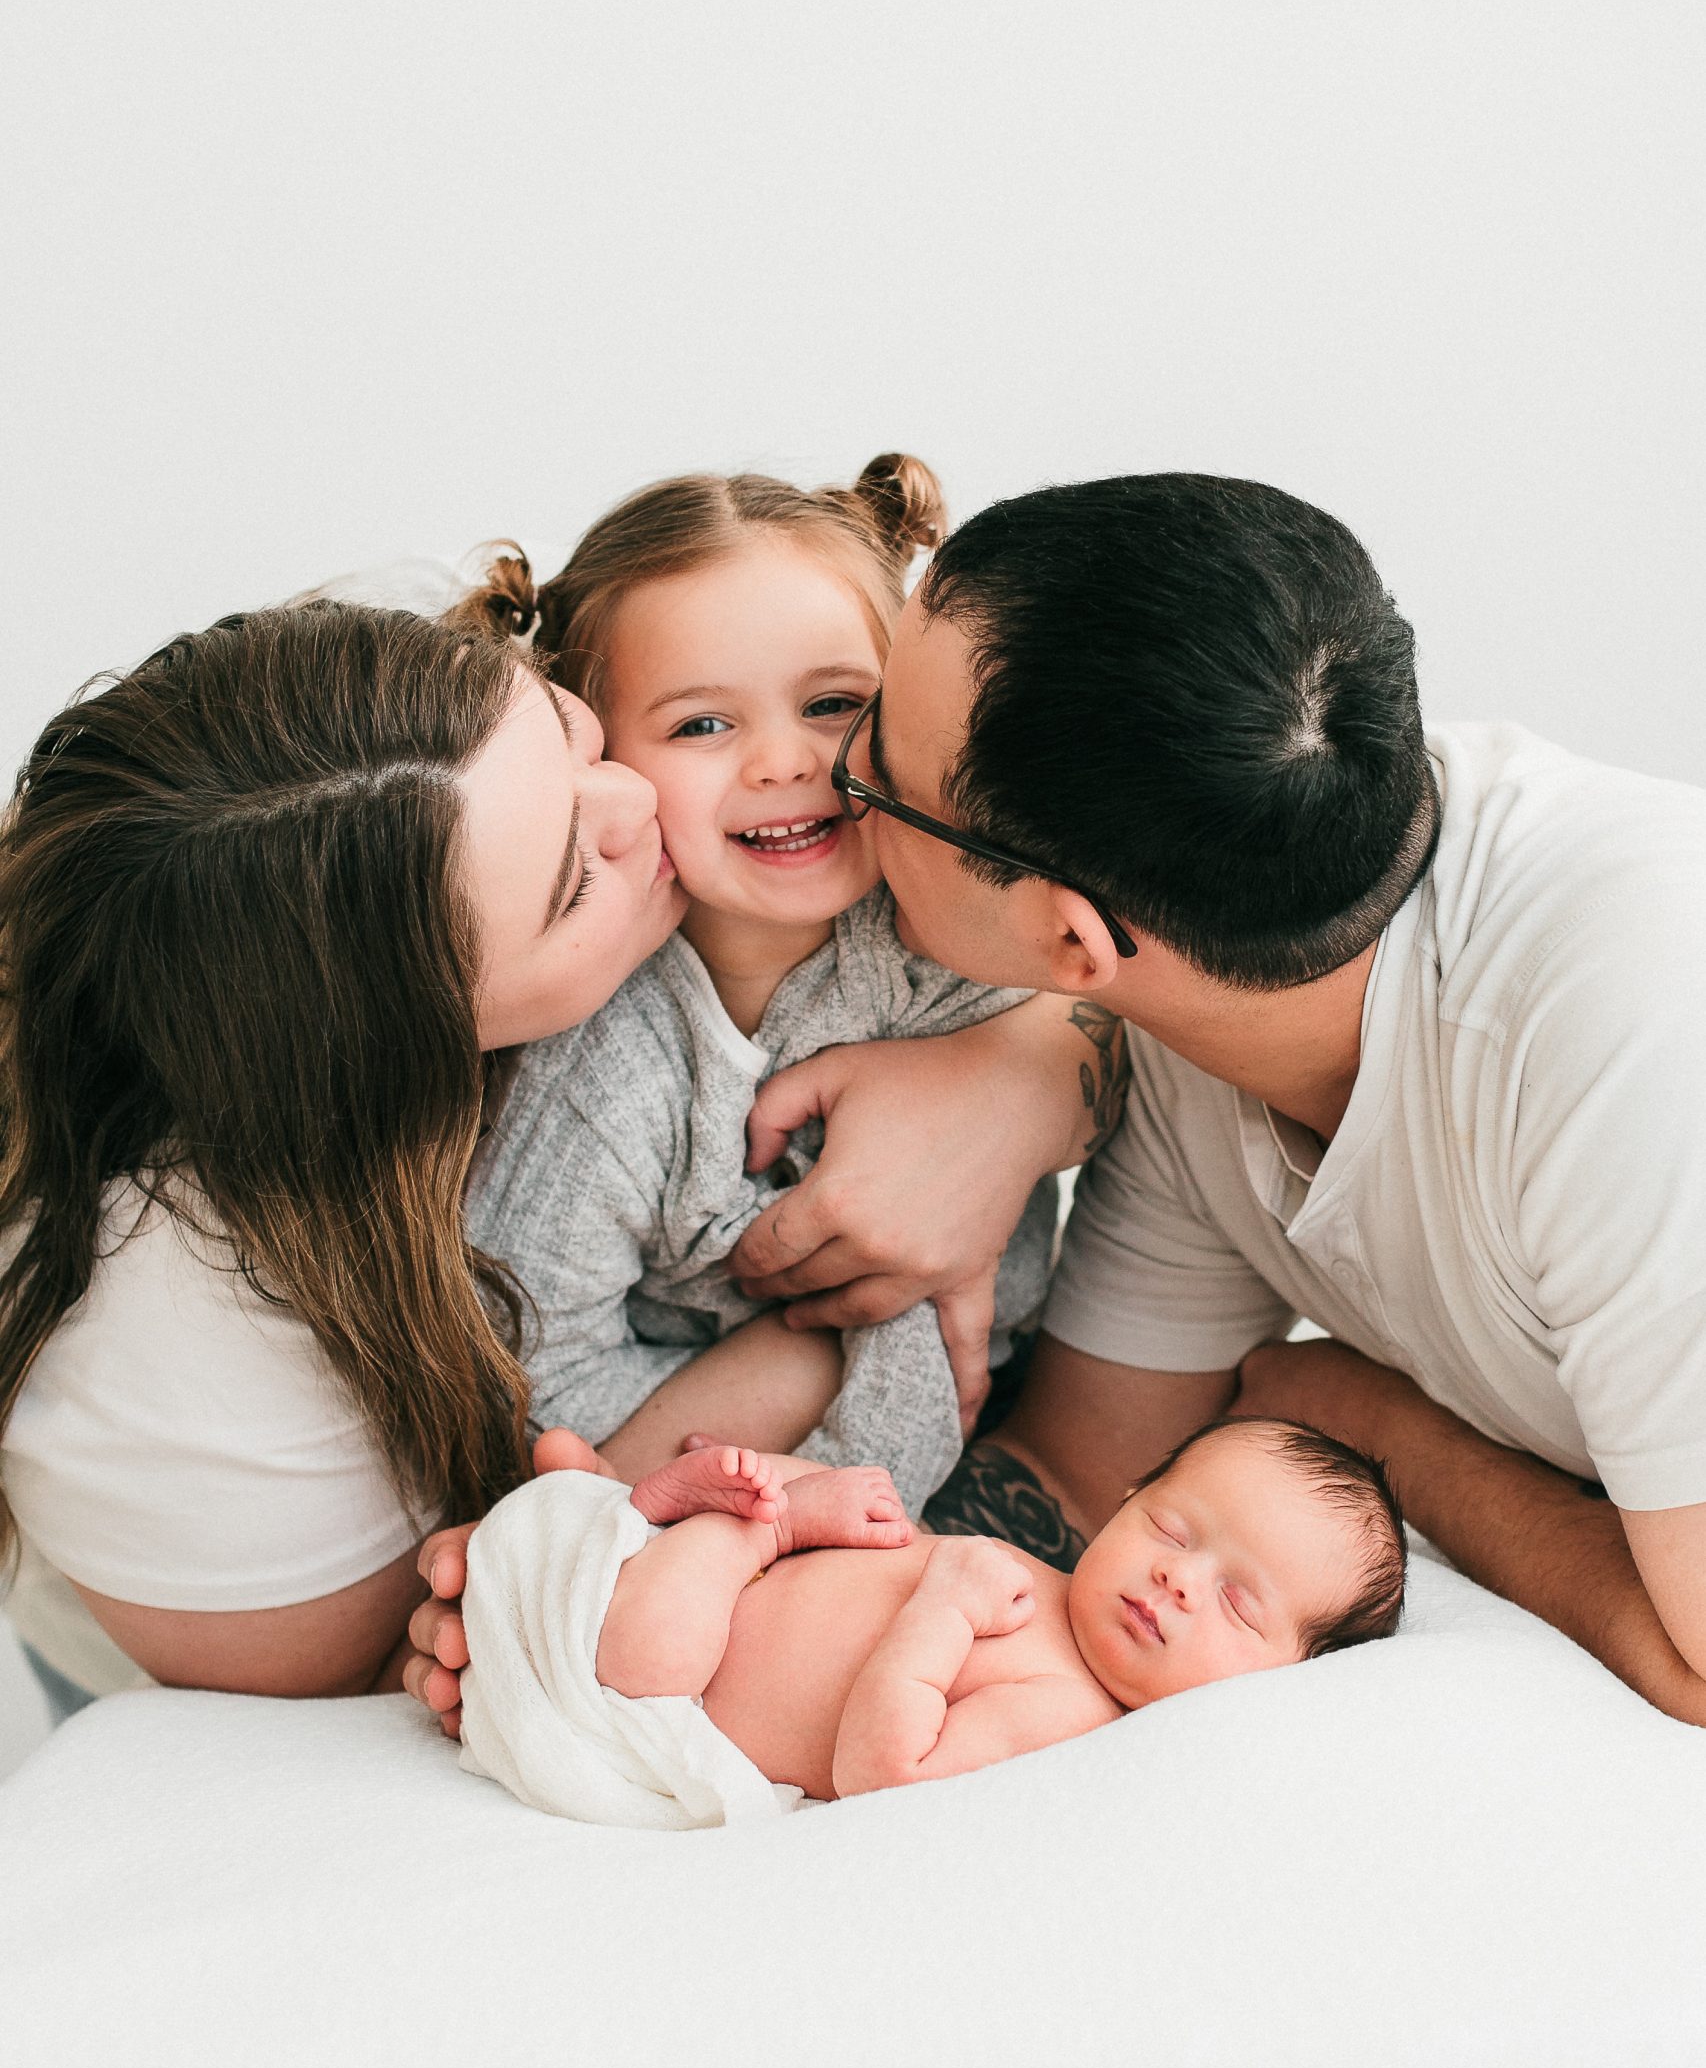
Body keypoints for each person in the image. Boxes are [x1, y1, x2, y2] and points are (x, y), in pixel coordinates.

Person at [0, 594, 1109, 1717]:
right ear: (408, 1058)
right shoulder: (161, 1349)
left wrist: (1019, 1082)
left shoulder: (419, 742)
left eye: (572, 731)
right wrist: (860, 1318)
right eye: (574, 881)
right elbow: (413, 1676)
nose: (636, 799)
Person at [717, 472, 1706, 1727]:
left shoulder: (1632, 1036)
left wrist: (1367, 1418)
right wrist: (649, 1588)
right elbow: (1076, 1477)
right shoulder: (1218, 968)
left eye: (870, 759)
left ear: (1072, 940)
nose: (825, 768)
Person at [455, 454, 1057, 1515]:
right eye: (701, 723)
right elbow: (540, 1396)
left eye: (833, 702)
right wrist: (828, 1362)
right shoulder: (603, 1071)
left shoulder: (970, 936)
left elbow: (1154, 1072)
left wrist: (1033, 1086)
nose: (784, 760)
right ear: (599, 762)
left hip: (1025, 1419)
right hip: (729, 1489)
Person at [451, 1413, 1406, 1822]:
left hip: (674, 1686)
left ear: (1289, 1685)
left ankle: (694, 1521)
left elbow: (887, 1771)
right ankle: (633, 1508)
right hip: (716, 1587)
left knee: (649, 1647)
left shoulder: (1069, 1713)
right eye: (1169, 1525)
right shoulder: (1056, 1587)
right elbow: (903, 1562)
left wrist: (942, 1611)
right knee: (829, 1499)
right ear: (1125, 1497)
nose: (1180, 1578)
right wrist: (880, 1530)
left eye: (1238, 1602)